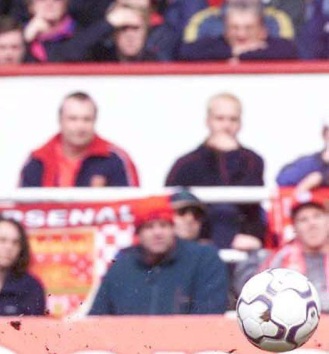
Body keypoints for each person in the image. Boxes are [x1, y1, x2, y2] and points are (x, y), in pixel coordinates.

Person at [165, 93, 267, 250]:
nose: (226, 125)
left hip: (243, 236)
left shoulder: (253, 160)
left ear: (240, 124)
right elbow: (172, 204)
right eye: (220, 119)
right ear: (208, 121)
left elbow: (248, 205)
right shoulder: (186, 163)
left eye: (233, 119)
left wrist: (232, 156)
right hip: (199, 238)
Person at [88, 204, 228, 315]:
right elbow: (98, 317)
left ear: (173, 229)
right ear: (138, 234)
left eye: (164, 225)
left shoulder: (204, 258)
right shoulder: (122, 265)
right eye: (149, 227)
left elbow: (210, 315)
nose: (157, 233)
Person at [19, 92, 139, 187]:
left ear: (95, 121)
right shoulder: (38, 160)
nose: (80, 126)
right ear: (60, 120)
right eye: (73, 119)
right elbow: (22, 207)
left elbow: (133, 205)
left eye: (87, 119)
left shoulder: (114, 159)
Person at [235, 201, 329, 308]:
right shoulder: (280, 258)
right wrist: (252, 254)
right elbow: (252, 294)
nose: (312, 224)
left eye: (317, 216)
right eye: (303, 219)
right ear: (294, 228)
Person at [276, 120, 329, 189]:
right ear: (325, 134)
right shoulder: (309, 162)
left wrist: (322, 178)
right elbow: (282, 179)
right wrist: (313, 179)